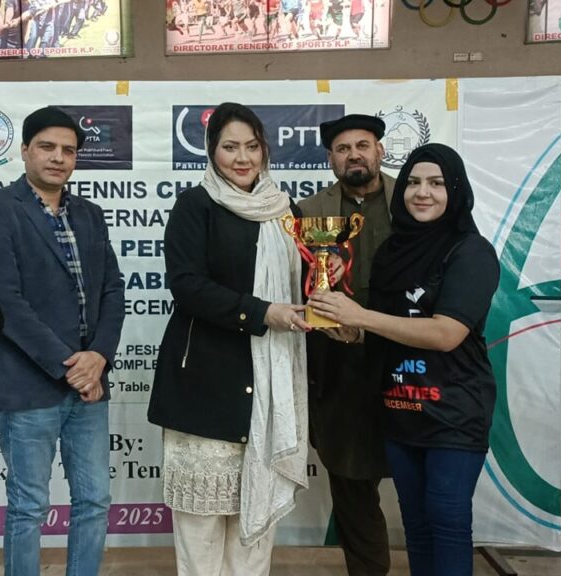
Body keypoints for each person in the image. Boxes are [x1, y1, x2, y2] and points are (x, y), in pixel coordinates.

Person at [309, 143, 501, 576]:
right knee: (415, 524)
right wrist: (349, 328)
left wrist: (363, 316)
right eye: (413, 182)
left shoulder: (471, 252)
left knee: (448, 520)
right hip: (399, 410)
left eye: (436, 183)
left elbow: (446, 333)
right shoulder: (392, 253)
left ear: (456, 190)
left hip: (453, 411)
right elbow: (386, 327)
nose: (422, 192)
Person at [148, 102, 311, 576]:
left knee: (253, 528)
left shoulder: (287, 211)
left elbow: (299, 287)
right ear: (211, 151)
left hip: (270, 388)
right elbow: (187, 286)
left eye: (252, 146)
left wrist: (324, 277)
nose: (243, 158)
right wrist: (263, 313)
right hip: (205, 385)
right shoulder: (195, 205)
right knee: (200, 527)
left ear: (265, 150)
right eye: (230, 147)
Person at [0, 106, 125, 576]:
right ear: (24, 151)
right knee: (28, 507)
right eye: (47, 147)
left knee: (94, 501)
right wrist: (70, 366)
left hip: (89, 386)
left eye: (68, 150)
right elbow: (5, 303)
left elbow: (112, 290)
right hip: (28, 384)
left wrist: (98, 357)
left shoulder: (89, 215)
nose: (58, 157)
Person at [298, 113, 394, 576]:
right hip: (340, 364)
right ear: (330, 159)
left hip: (407, 355)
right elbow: (297, 281)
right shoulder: (307, 212)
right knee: (352, 483)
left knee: (423, 477)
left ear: (380, 151)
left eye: (362, 145)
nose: (354, 155)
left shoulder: (415, 199)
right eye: (342, 148)